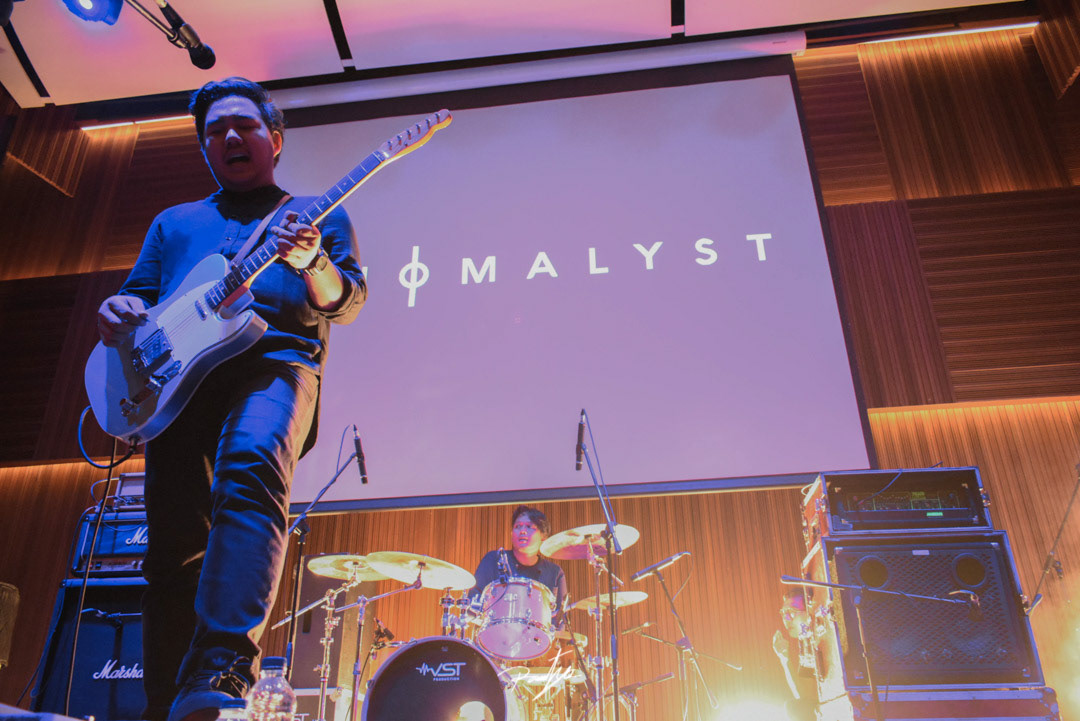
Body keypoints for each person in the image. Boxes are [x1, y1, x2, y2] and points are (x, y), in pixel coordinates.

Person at [94, 77, 366, 721]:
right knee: (173, 548)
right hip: (179, 384)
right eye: (215, 131)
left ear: (275, 139)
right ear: (205, 149)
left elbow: (345, 301)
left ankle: (221, 669)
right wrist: (117, 308)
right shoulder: (174, 222)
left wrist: (311, 261)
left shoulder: (316, 214)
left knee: (251, 466)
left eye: (244, 125)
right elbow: (139, 301)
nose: (230, 137)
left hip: (277, 361)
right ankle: (168, 704)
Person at [469, 505, 568, 625]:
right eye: (517, 526)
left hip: (537, 636)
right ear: (511, 534)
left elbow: (560, 621)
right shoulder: (494, 559)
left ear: (543, 536)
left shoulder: (554, 573)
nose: (522, 531)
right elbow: (473, 602)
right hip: (495, 633)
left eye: (529, 526)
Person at [771, 588, 818, 721]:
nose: (786, 618)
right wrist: (784, 659)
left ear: (809, 612)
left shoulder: (821, 636)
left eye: (791, 612)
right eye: (783, 613)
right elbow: (803, 695)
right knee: (793, 707)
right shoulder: (805, 643)